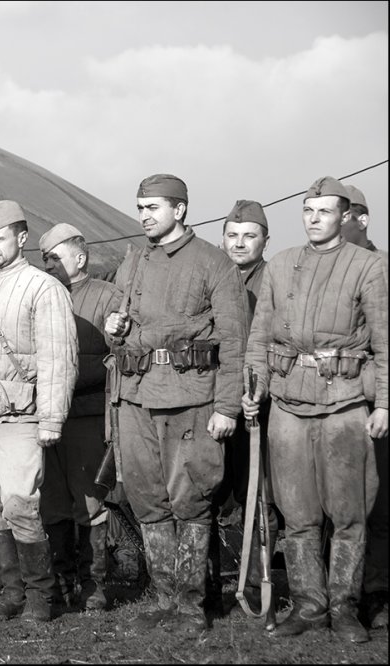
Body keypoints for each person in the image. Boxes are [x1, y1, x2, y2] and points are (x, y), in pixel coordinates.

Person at [243, 176, 387, 643]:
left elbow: (385, 342)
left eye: (324, 211)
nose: (314, 219)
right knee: (297, 515)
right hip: (288, 405)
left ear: (344, 216)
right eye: (308, 210)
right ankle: (309, 605)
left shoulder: (368, 266)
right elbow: (259, 337)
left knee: (349, 514)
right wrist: (254, 389)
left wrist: (384, 403)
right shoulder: (281, 266)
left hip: (346, 404)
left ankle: (345, 609)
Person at [104, 174, 248, 634]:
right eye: (140, 207)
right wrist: (113, 327)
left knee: (191, 499)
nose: (144, 216)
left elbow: (235, 343)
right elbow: (120, 326)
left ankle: (191, 606)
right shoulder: (133, 262)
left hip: (191, 397)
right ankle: (165, 599)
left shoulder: (213, 263)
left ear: (180, 209)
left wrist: (227, 407)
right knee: (147, 498)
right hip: (135, 395)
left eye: (153, 207)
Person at [0, 200, 78, 623]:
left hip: (19, 411)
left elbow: (59, 359)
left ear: (21, 238)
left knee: (21, 503)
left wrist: (52, 419)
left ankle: (41, 596)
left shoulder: (45, 288)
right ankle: (12, 594)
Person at [38, 222, 122, 612]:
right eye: (45, 259)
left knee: (90, 503)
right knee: (52, 502)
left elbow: (118, 355)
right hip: (45, 416)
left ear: (81, 257)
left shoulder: (107, 296)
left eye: (56, 257)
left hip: (87, 415)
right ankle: (60, 583)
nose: (49, 265)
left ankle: (94, 586)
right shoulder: (41, 294)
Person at [211, 200, 280, 609]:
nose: (239, 243)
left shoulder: (275, 280)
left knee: (258, 494)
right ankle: (209, 585)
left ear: (265, 240)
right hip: (216, 401)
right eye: (232, 235)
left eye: (249, 236)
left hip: (259, 406)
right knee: (208, 491)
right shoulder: (211, 276)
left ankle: (256, 584)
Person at [343, 184, 389, 631]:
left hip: (378, 402)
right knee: (339, 504)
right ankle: (340, 594)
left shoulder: (383, 267)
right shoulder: (321, 271)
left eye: (345, 215)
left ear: (363, 220)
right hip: (336, 402)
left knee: (379, 506)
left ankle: (375, 592)